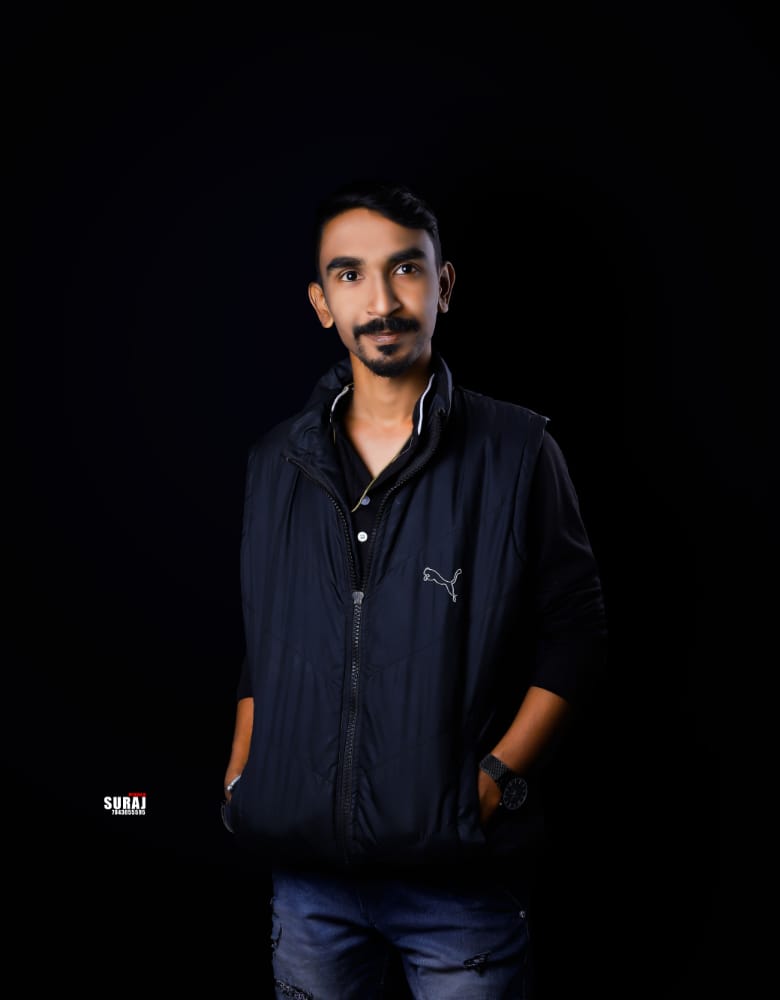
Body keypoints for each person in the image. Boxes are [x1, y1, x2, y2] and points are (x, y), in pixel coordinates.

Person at [221, 178, 608, 999]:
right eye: (350, 274)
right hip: (308, 884)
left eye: (405, 268)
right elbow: (265, 638)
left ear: (444, 285)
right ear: (322, 303)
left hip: (459, 886)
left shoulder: (518, 449)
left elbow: (576, 633)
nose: (382, 301)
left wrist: (492, 785)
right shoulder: (272, 463)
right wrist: (242, 776)